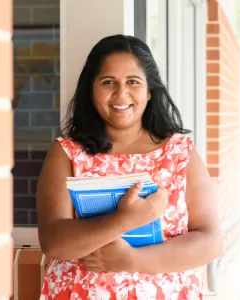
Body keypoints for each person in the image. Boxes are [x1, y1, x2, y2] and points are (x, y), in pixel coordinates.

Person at [36, 34, 223, 300]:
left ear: (149, 91)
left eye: (133, 82)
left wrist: (130, 259)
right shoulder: (66, 153)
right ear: (92, 89)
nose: (120, 93)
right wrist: (126, 219)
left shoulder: (180, 153)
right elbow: (54, 242)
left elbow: (210, 241)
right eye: (108, 82)